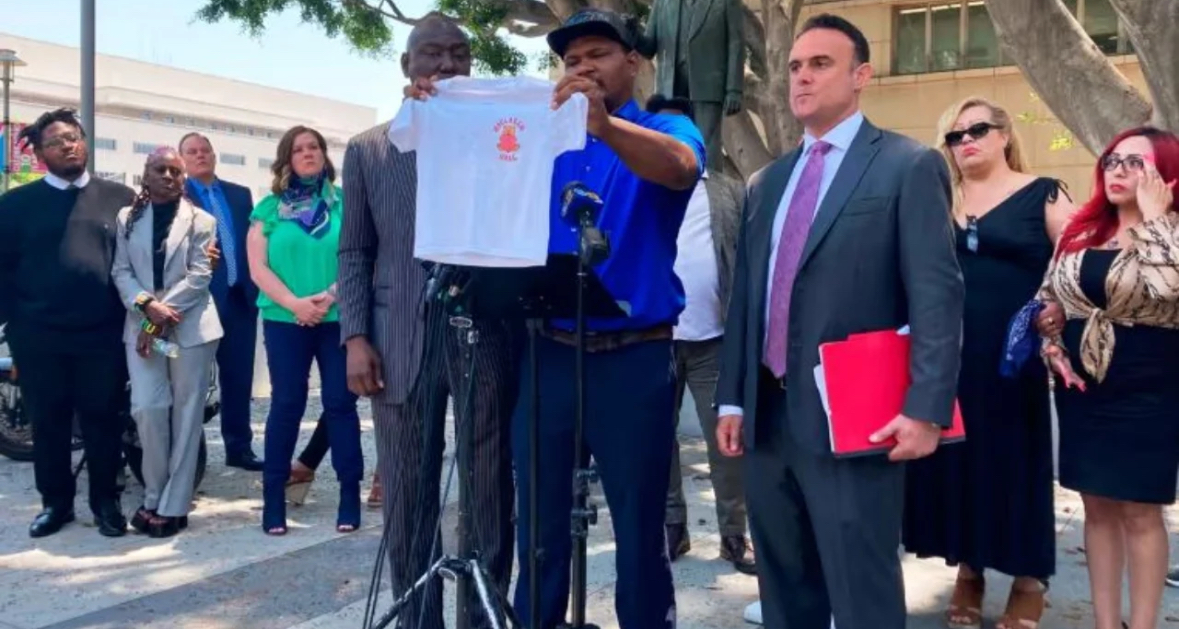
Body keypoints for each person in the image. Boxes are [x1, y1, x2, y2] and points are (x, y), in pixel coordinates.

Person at [405, 9, 705, 628]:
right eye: (571, 60)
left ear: (633, 62)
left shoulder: (665, 125)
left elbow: (679, 167)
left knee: (639, 528)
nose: (584, 67)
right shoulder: (542, 134)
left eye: (599, 53)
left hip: (634, 357)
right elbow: (479, 167)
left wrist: (606, 126)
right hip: (549, 353)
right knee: (539, 529)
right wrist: (439, 110)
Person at [714, 14, 963, 629]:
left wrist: (927, 408)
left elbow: (936, 294)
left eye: (820, 64)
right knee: (785, 593)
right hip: (767, 419)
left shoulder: (906, 165)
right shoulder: (767, 182)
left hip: (854, 416)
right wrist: (731, 400)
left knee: (861, 595)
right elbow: (747, 298)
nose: (802, 77)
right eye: (795, 67)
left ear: (861, 75)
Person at [337, 15, 519, 629]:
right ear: (406, 65)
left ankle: (482, 616)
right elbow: (354, 251)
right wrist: (355, 337)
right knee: (409, 492)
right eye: (432, 54)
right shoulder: (369, 149)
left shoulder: (498, 140)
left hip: (482, 334)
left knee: (488, 487)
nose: (446, 65)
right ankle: (418, 619)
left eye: (458, 54)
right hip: (396, 341)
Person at [901, 96, 1073, 629]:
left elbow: (1078, 261)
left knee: (1015, 463)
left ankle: (1029, 579)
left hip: (1012, 359)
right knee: (960, 460)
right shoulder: (939, 197)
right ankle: (969, 570)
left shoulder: (1043, 192)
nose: (966, 141)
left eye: (976, 129)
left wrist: (1058, 306)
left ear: (1004, 134)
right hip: (946, 356)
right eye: (955, 135)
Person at [1035, 127, 1179, 629]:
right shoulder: (1081, 229)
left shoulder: (1172, 229)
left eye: (1136, 163)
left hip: (1150, 386)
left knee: (1140, 510)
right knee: (1095, 506)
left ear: (1166, 174)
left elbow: (1168, 287)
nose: (1118, 170)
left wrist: (1156, 218)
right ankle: (1105, 622)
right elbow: (1048, 295)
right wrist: (1051, 335)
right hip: (1083, 387)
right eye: (1113, 161)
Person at [0, 108, 134, 538]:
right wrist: (13, 328)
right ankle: (55, 505)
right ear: (40, 154)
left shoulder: (120, 198)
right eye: (56, 142)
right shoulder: (14, 205)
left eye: (73, 137)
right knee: (49, 423)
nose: (68, 146)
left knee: (103, 421)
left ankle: (106, 503)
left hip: (103, 335)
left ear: (85, 142)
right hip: (38, 337)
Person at [644, 93, 755, 575]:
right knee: (656, 438)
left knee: (726, 441)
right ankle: (673, 526)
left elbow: (748, 261)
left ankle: (734, 533)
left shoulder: (729, 192)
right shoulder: (639, 186)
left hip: (714, 338)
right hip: (653, 338)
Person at [248, 125, 362, 536]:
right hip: (285, 320)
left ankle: (349, 495)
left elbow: (360, 255)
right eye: (298, 149)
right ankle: (273, 499)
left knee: (340, 404)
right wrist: (295, 304)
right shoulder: (268, 209)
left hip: (337, 317)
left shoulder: (345, 203)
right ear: (287, 159)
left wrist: (328, 297)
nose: (308, 153)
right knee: (287, 404)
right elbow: (258, 268)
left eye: (314, 147)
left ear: (324, 155)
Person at [111, 147, 222, 538]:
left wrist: (157, 318)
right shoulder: (127, 218)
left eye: (176, 171)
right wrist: (147, 308)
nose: (169, 176)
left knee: (187, 415)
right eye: (161, 169)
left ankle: (174, 504)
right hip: (146, 335)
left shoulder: (202, 221)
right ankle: (154, 494)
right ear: (146, 174)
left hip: (189, 333)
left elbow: (199, 276)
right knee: (148, 407)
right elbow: (121, 271)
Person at [180, 132, 264, 472]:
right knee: (192, 381)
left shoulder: (240, 195)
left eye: (205, 150)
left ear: (214, 155)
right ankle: (188, 453)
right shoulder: (177, 197)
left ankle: (239, 448)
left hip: (240, 298)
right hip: (198, 303)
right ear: (183, 160)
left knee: (238, 378)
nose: (200, 155)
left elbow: (253, 243)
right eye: (192, 152)